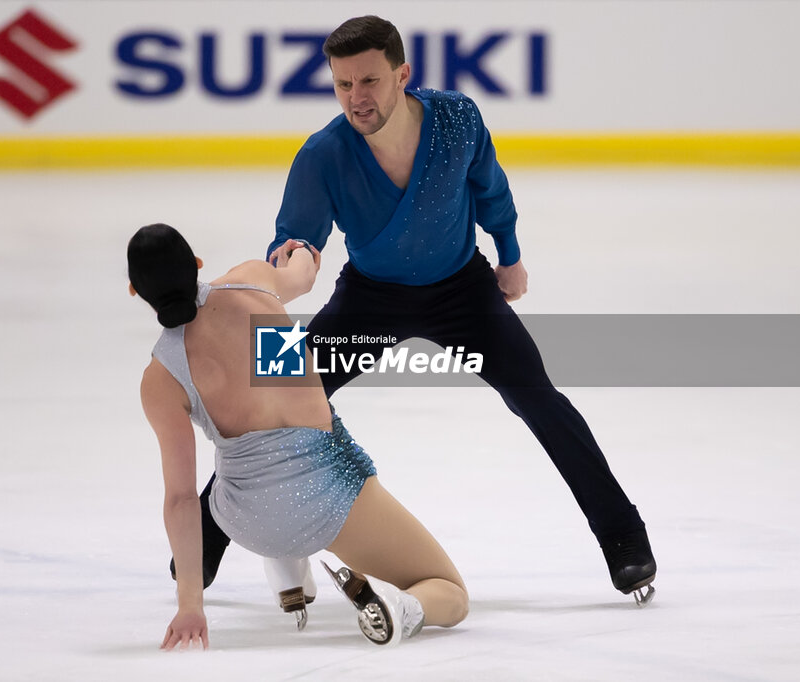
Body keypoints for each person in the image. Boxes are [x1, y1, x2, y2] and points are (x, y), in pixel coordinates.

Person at [190, 14, 656, 604]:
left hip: (463, 292)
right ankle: (205, 534)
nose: (356, 98)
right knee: (270, 393)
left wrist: (509, 257)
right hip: (370, 297)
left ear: (402, 74)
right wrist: (278, 284)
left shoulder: (457, 119)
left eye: (369, 81)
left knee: (541, 400)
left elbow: (491, 187)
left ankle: (623, 536)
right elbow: (296, 243)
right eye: (342, 85)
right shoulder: (323, 155)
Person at [129, 223, 468, 649]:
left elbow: (181, 499)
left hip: (246, 517)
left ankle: (287, 562)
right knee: (450, 593)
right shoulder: (251, 282)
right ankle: (400, 606)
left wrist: (190, 604)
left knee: (261, 430)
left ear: (134, 291)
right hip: (327, 501)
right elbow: (303, 275)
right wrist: (301, 248)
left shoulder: (160, 377)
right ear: (196, 264)